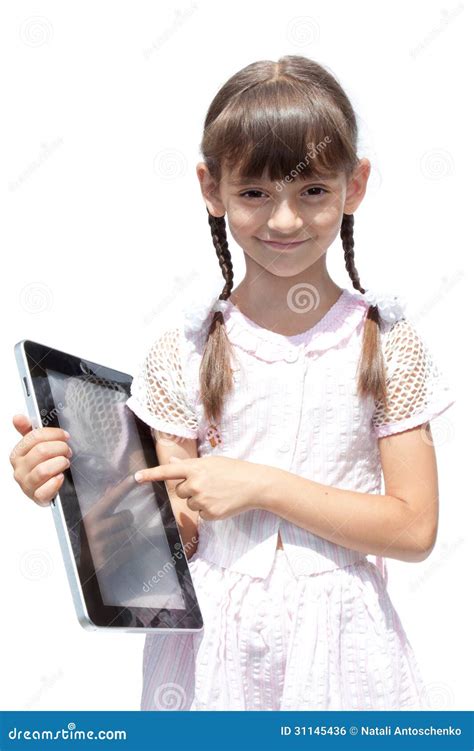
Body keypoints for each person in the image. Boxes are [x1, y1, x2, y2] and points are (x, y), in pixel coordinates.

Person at [10, 55, 456, 712]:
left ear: (354, 184)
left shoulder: (385, 343)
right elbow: (177, 535)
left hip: (343, 654)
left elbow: (415, 528)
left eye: (311, 191)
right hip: (211, 659)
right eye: (254, 192)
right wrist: (73, 486)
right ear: (210, 187)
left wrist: (261, 485)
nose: (283, 221)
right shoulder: (183, 353)